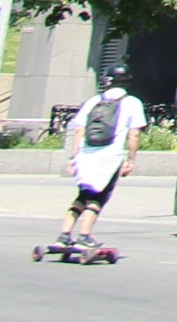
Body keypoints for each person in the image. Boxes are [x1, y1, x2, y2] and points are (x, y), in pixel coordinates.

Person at [59, 75, 146, 252]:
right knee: (98, 197)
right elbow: (134, 134)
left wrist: (72, 157)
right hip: (109, 157)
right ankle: (84, 236)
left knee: (82, 196)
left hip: (86, 155)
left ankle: (64, 235)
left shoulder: (94, 101)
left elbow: (79, 130)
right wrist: (131, 159)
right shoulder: (132, 103)